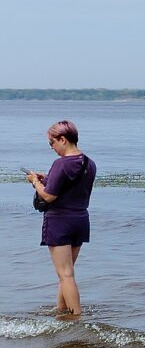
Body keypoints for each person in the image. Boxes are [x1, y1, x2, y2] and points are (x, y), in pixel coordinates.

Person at [26, 120, 97, 316]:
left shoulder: (61, 163)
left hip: (59, 221)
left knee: (65, 275)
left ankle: (76, 318)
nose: (52, 147)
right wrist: (47, 179)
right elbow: (71, 186)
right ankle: (62, 313)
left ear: (63, 139)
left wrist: (35, 182)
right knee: (67, 274)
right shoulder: (89, 163)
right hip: (80, 220)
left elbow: (48, 196)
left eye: (52, 143)